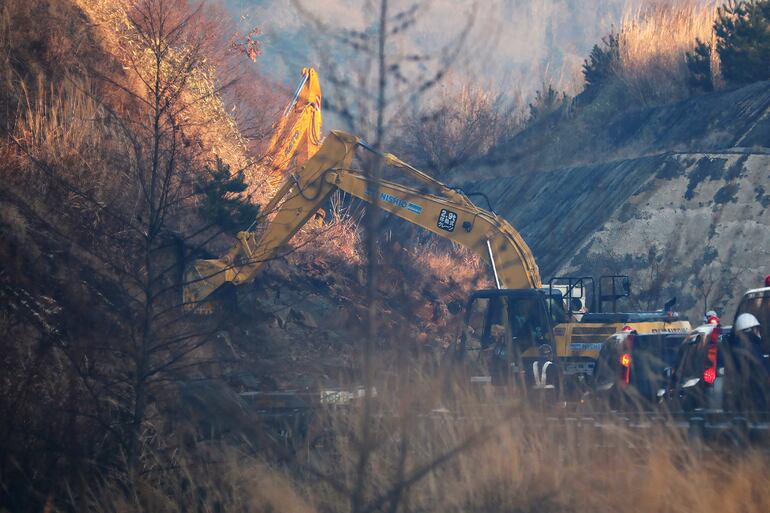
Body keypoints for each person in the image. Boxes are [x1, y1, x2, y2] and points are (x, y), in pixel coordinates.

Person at [733, 313, 769, 411]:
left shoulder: (738, 346)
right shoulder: (750, 346)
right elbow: (760, 366)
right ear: (751, 329)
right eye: (756, 328)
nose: (758, 332)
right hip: (756, 396)